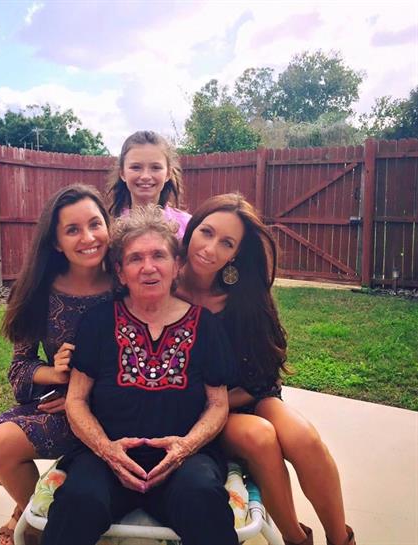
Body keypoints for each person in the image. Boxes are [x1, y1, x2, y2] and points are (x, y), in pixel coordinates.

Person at [40, 205, 237, 545]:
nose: (148, 267)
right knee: (79, 501)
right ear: (120, 272)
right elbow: (77, 399)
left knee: (202, 496)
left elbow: (218, 403)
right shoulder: (98, 322)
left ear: (176, 265)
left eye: (159, 255)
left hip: (184, 461)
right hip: (106, 458)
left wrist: (185, 447)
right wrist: (106, 450)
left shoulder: (206, 326)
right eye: (135, 258)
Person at [177, 193, 356, 545]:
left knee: (304, 439)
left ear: (235, 254)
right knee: (260, 437)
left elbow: (263, 373)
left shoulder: (243, 295)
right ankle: (295, 538)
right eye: (206, 232)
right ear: (191, 230)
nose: (211, 248)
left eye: (226, 243)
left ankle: (341, 539)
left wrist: (232, 397)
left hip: (250, 393)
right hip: (197, 410)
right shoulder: (161, 285)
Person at [0, 184, 113, 545]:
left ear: (108, 225)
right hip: (57, 403)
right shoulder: (37, 289)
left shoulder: (125, 284)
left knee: (3, 445)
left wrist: (82, 394)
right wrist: (55, 373)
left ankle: (37, 526)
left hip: (110, 410)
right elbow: (20, 366)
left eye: (95, 224)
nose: (88, 237)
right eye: (72, 230)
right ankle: (37, 503)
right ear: (56, 242)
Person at [106, 130, 191, 237]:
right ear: (122, 173)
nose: (145, 176)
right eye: (136, 167)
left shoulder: (187, 226)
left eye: (155, 167)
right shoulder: (108, 227)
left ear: (168, 173)